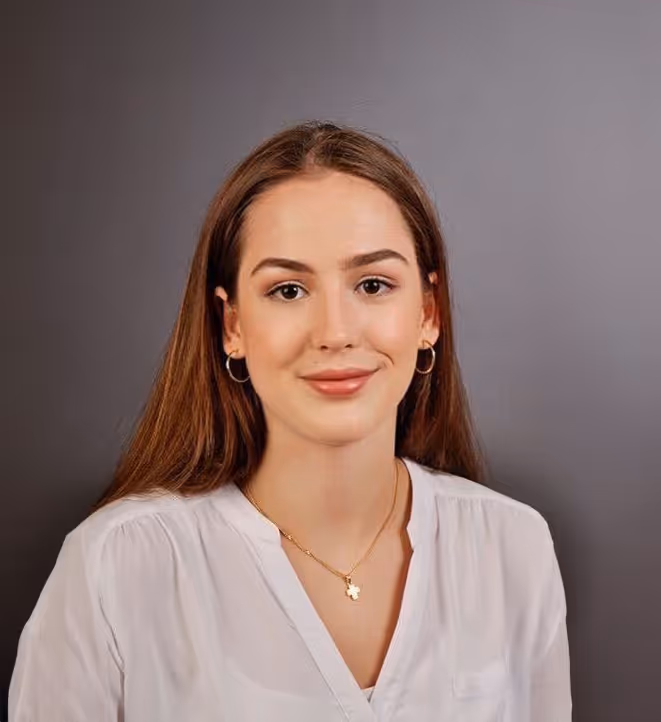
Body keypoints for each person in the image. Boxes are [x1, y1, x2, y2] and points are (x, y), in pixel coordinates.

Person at [9, 121, 571, 721]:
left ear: (428, 313)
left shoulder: (514, 549)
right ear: (232, 325)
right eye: (287, 291)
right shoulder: (116, 568)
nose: (335, 332)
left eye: (373, 284)